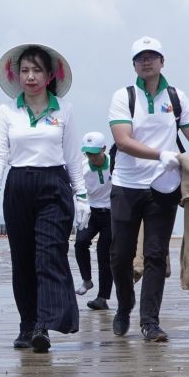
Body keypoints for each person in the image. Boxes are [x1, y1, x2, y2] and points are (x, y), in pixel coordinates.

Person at [0, 43, 87, 351]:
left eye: (36, 70)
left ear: (49, 75)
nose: (30, 77)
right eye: (25, 70)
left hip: (54, 186)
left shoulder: (64, 109)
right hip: (18, 185)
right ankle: (27, 323)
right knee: (23, 259)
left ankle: (43, 325)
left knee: (48, 254)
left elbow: (72, 156)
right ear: (17, 76)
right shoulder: (7, 110)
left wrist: (81, 195)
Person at [107, 37, 189, 342]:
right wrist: (159, 154)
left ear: (162, 61)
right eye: (140, 57)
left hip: (164, 186)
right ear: (134, 65)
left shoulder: (177, 97)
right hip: (126, 185)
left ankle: (150, 322)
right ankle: (124, 305)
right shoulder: (123, 97)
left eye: (152, 56)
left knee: (155, 255)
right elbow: (123, 140)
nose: (147, 61)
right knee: (120, 254)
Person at [73, 130, 114, 311]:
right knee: (80, 242)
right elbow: (76, 191)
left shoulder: (115, 164)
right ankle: (87, 280)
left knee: (104, 255)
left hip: (111, 214)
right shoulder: (83, 168)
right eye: (88, 153)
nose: (91, 157)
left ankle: (102, 298)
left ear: (103, 149)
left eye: (94, 153)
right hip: (90, 212)